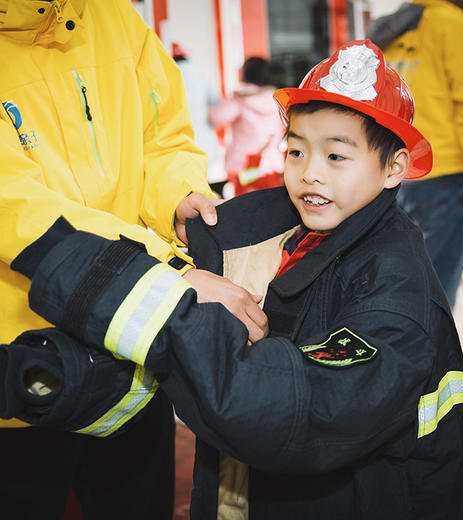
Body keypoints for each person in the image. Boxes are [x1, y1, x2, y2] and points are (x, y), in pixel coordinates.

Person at [5, 40, 463, 519]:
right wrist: (43, 374)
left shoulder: (394, 289)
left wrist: (151, 296)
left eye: (336, 157)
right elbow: (178, 366)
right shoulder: (267, 233)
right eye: (295, 151)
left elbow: (293, 406)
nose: (309, 173)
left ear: (394, 167)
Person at [0, 1, 267, 519]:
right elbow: (16, 207)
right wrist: (171, 274)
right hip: (19, 361)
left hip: (130, 348)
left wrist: (178, 200)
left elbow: (162, 141)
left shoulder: (112, 16)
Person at [366, 0, 463, 308]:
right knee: (436, 289)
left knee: (400, 279)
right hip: (444, 172)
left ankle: (397, 345)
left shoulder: (392, 29)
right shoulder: (457, 26)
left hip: (394, 171)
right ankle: (430, 354)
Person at [208, 56, 284, 196]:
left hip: (244, 165)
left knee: (244, 207)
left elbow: (218, 118)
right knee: (273, 205)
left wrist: (203, 103)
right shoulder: (274, 98)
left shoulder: (241, 98)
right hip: (270, 163)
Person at [172, 42, 225, 193]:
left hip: (180, 137)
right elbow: (216, 99)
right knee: (204, 179)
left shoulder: (168, 74)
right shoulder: (198, 73)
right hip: (204, 136)